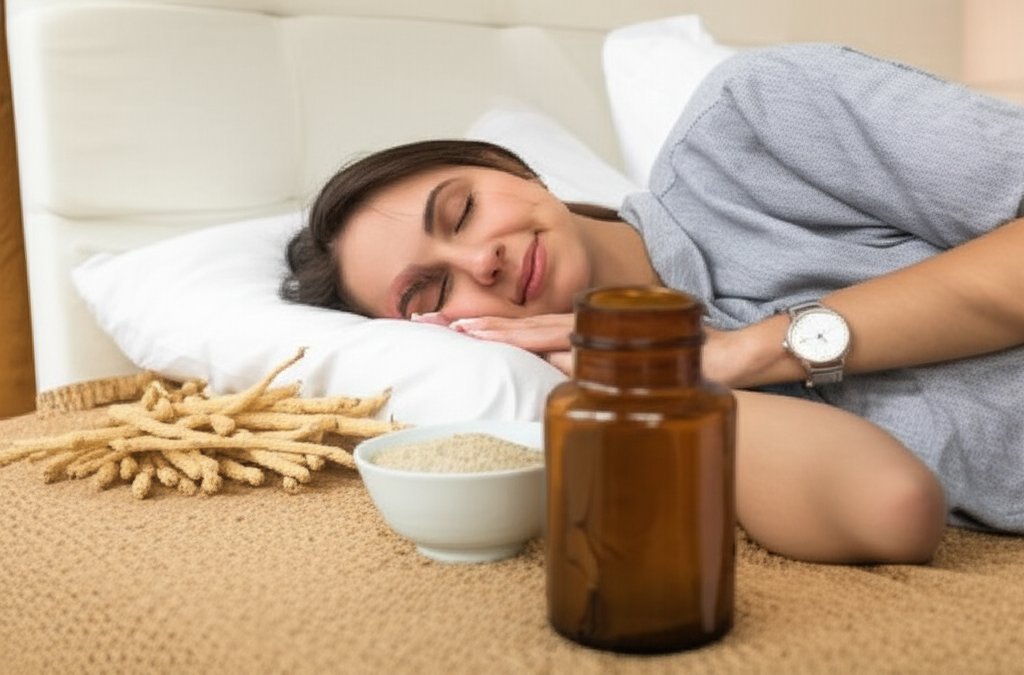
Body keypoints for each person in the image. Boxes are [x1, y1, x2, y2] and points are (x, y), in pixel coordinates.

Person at [283, 44, 1024, 564]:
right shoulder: (627, 405)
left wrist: (749, 348)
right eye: (436, 291)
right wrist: (663, 379)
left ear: (507, 167)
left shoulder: (754, 116)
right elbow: (891, 506)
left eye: (462, 210)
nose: (482, 259)